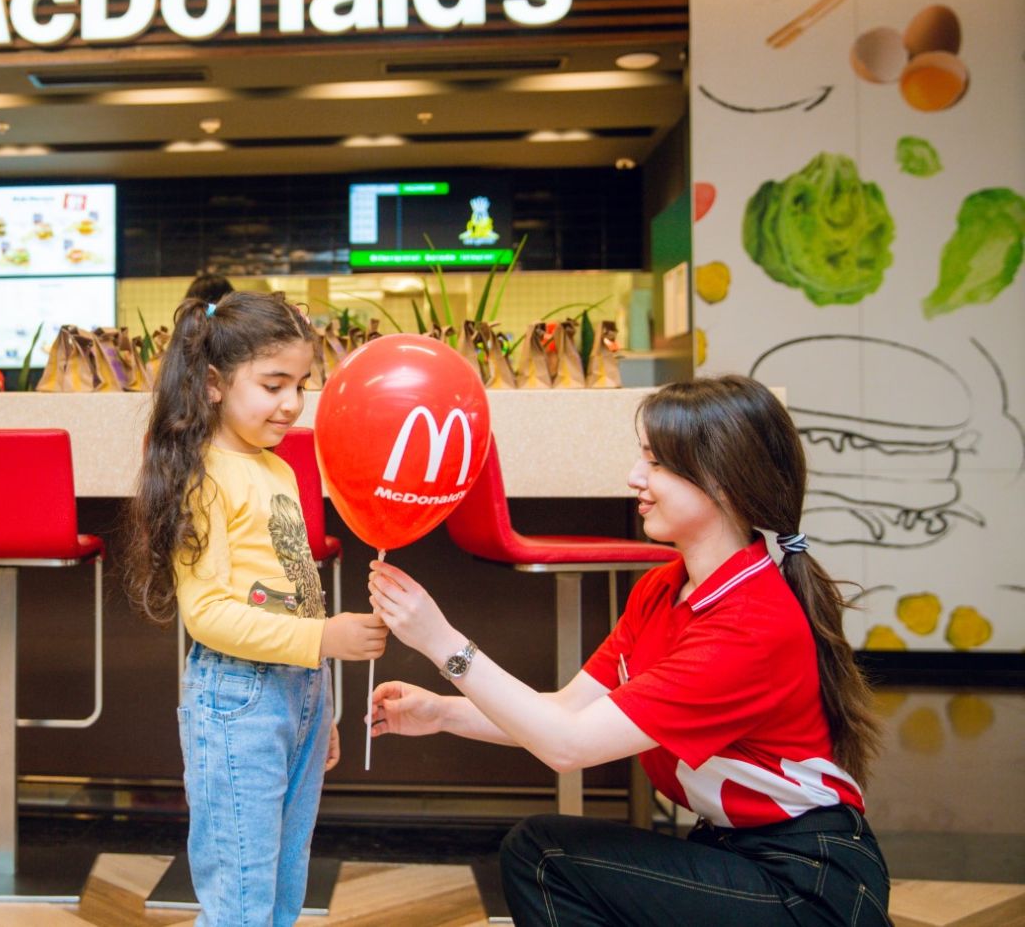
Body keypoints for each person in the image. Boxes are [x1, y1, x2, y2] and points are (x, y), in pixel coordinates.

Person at [367, 375, 889, 927]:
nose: (635, 477)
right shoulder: (663, 588)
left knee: (543, 855)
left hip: (808, 885)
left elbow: (567, 745)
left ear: (725, 482)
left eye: (656, 463)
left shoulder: (750, 624)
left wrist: (441, 642)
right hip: (738, 852)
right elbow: (565, 711)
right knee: (544, 854)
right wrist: (441, 713)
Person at [125, 290, 388, 927]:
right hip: (236, 699)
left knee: (281, 892)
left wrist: (318, 704)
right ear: (214, 384)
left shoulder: (279, 469)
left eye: (301, 385)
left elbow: (295, 582)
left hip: (300, 693)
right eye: (273, 385)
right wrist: (324, 641)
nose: (292, 404)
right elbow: (208, 615)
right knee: (240, 899)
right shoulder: (205, 476)